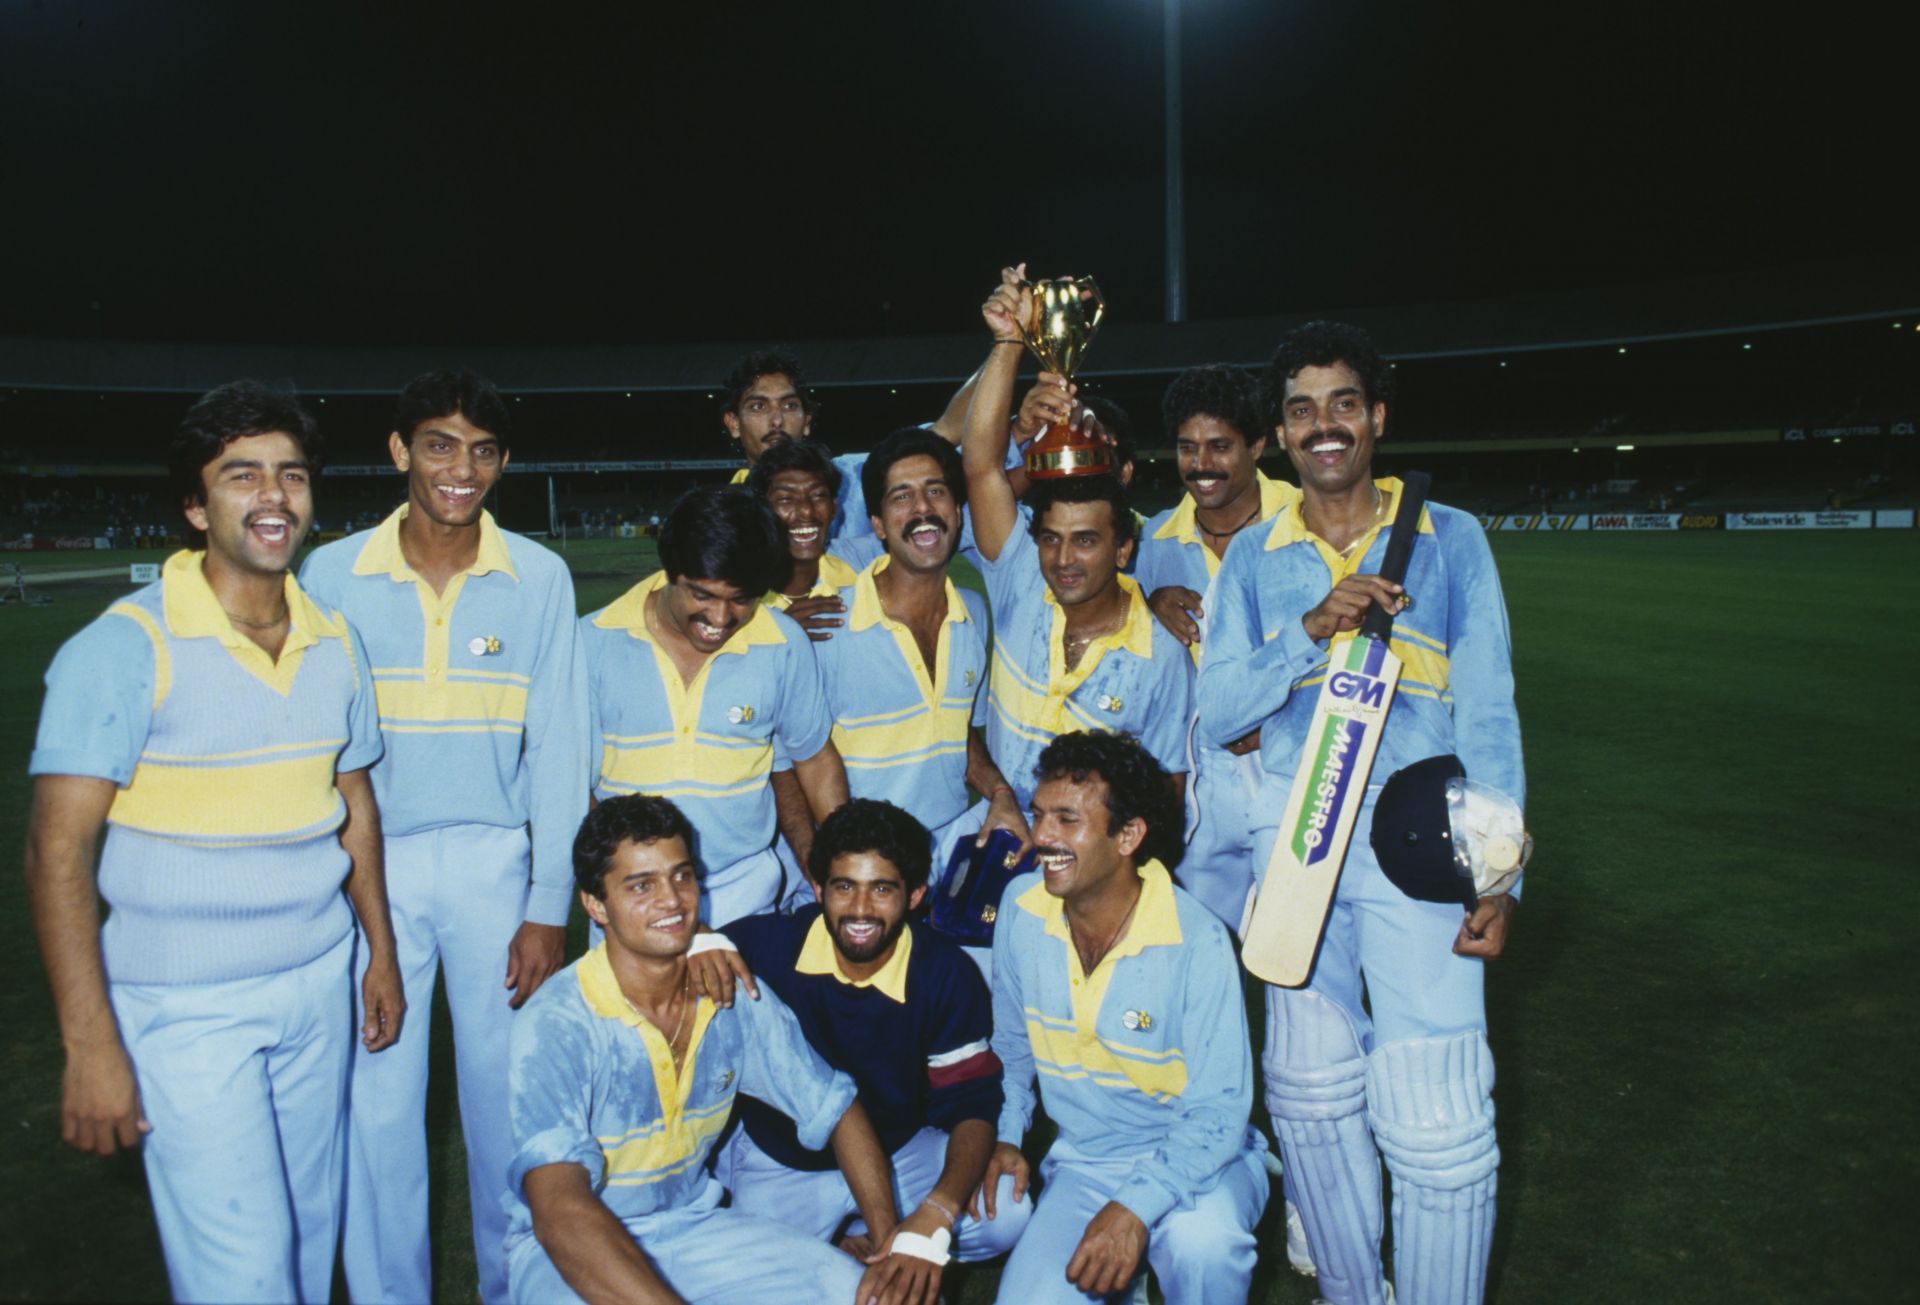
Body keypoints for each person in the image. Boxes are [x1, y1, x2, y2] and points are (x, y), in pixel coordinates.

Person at [25, 381, 402, 1303]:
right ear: (196, 506)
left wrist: (379, 952)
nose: (273, 496)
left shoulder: (334, 639)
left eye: (292, 475)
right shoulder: (121, 649)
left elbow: (353, 801)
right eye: (242, 476)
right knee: (245, 1273)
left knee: (312, 1248)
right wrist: (91, 1043)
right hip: (185, 1004)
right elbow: (54, 853)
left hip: (319, 981)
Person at [1198, 320, 1524, 1305]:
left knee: (1436, 1115)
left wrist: (1501, 872)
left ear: (1377, 417)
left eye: (1344, 404)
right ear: (1283, 434)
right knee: (1308, 1097)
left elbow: (1493, 708)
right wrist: (1309, 627)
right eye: (1302, 409)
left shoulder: (1449, 535)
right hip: (1295, 846)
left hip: (1420, 845)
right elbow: (1217, 711)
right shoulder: (1256, 556)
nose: (1323, 425)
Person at [300, 369, 590, 1304]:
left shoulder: (539, 576)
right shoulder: (331, 573)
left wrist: (549, 906)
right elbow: (317, 748)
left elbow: (559, 750)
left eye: (483, 450)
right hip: (365, 871)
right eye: (439, 444)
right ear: (399, 450)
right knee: (379, 1107)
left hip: (493, 868)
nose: (460, 469)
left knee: (507, 1102)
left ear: (503, 463)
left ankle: (520, 1290)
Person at [506, 794, 933, 1305]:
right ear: (595, 904)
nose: (672, 900)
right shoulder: (557, 1022)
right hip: (567, 1253)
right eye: (641, 885)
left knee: (875, 1296)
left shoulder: (730, 993)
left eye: (682, 876)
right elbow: (559, 1210)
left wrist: (889, 1249)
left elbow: (837, 1108)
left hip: (692, 1228)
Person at [981, 731, 1268, 1303]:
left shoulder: (1199, 940)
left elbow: (1218, 1110)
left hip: (1202, 1160)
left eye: (1068, 820)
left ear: (1128, 836)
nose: (1041, 836)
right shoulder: (1019, 908)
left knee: (1203, 1245)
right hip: (1085, 1165)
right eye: (1040, 815)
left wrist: (1135, 1206)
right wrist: (1008, 1136)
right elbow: (1011, 1050)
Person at [713, 799, 1031, 1286]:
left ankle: (872, 1229)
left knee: (1006, 1210)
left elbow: (973, 1104)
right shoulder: (763, 947)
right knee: (750, 1288)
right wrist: (698, 941)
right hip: (784, 1159)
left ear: (916, 894)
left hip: (899, 1150)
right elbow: (675, 951)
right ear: (817, 889)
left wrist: (937, 1213)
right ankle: (836, 1239)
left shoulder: (944, 972)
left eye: (882, 889)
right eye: (844, 887)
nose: (861, 909)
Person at [962, 266, 1194, 810]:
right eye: (1050, 539)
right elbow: (980, 468)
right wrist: (1008, 343)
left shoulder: (1161, 654)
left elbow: (1167, 795)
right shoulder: (1020, 577)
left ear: (1124, 549)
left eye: (1086, 541)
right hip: (998, 848)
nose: (1063, 559)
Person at [581, 485, 848, 921]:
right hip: (635, 894)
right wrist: (617, 885)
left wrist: (843, 860)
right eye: (702, 595)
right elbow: (572, 783)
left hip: (746, 889)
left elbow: (814, 759)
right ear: (669, 570)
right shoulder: (591, 642)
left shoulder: (782, 642)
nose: (720, 620)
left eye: (741, 599)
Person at [809, 427, 1028, 871]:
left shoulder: (973, 612)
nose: (923, 509)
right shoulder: (827, 626)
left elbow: (954, 728)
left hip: (951, 851)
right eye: (901, 497)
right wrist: (839, 856)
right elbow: (797, 758)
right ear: (877, 525)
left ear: (959, 511)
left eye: (935, 491)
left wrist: (1000, 794)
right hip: (865, 861)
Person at [1134, 363, 1299, 928]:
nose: (1201, 464)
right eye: (1187, 447)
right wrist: (1146, 604)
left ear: (1257, 446)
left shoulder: (1304, 522)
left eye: (1220, 446)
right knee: (1196, 945)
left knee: (1301, 949)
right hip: (1198, 772)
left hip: (1286, 762)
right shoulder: (1154, 539)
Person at [745, 438, 863, 639]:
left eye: (818, 496)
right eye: (785, 499)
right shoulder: (739, 592)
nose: (807, 511)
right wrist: (779, 635)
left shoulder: (857, 578)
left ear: (834, 508)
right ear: (761, 510)